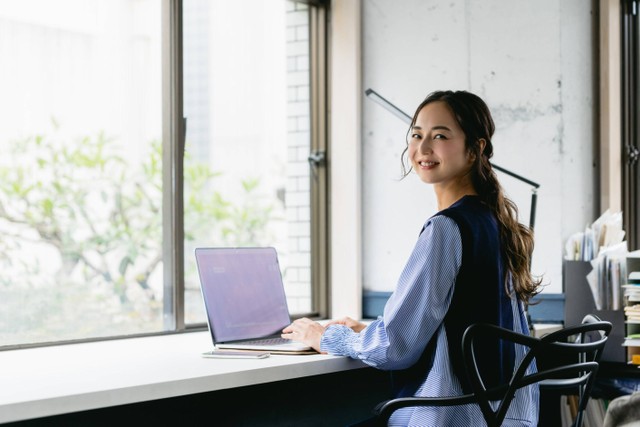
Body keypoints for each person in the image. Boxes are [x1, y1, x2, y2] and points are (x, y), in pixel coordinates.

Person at [282, 90, 541, 426]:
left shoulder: (447, 228)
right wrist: (368, 331)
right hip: (500, 418)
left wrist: (324, 336)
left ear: (475, 149)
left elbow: (394, 348)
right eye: (417, 135)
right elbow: (452, 325)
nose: (423, 148)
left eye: (440, 136)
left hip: (450, 417)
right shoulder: (496, 224)